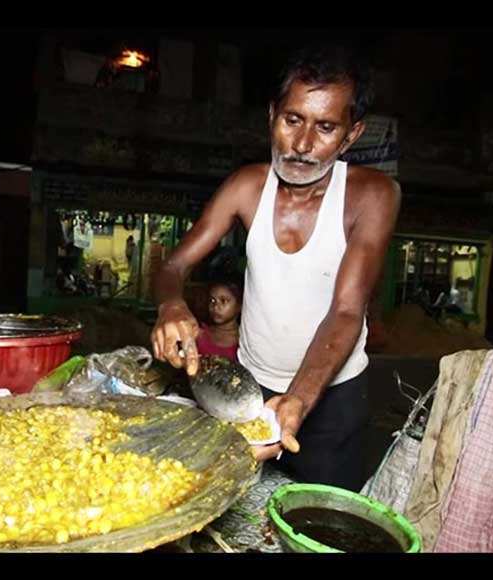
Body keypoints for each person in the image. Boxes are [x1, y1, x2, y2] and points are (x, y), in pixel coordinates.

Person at [151, 45, 401, 491]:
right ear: (272, 115)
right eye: (293, 120)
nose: (303, 145)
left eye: (325, 128)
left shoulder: (372, 196)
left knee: (316, 517)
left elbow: (347, 310)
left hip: (332, 397)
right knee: (236, 509)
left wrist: (300, 400)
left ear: (350, 135)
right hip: (247, 390)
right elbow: (174, 264)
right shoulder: (246, 187)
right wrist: (171, 304)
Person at [196, 278, 242, 362]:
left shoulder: (245, 341)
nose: (216, 307)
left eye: (223, 301)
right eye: (212, 300)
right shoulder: (199, 333)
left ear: (239, 305)